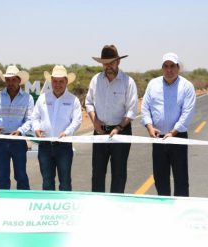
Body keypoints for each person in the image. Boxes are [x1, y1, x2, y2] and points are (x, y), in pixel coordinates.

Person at [141, 52, 196, 197]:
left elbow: (187, 112)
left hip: (178, 137)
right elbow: (145, 107)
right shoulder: (153, 84)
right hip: (158, 137)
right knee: (160, 178)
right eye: (166, 66)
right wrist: (149, 126)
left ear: (178, 68)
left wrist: (173, 132)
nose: (169, 70)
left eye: (172, 66)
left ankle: (181, 213)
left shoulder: (186, 86)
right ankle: (165, 211)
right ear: (162, 68)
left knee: (181, 179)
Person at [85, 45, 138, 193]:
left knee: (119, 174)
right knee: (97, 174)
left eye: (111, 63)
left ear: (118, 62)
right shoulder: (96, 80)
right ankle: (98, 205)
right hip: (100, 132)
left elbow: (131, 111)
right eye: (105, 63)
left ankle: (116, 206)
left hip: (121, 132)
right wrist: (94, 121)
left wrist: (119, 128)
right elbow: (88, 102)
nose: (108, 66)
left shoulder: (128, 82)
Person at [32, 65, 81, 191]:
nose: (57, 84)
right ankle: (49, 209)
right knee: (47, 181)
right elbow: (35, 117)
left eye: (61, 81)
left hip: (64, 147)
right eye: (55, 81)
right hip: (45, 146)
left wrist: (67, 132)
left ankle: (65, 209)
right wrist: (36, 128)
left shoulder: (73, 100)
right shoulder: (43, 98)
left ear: (66, 82)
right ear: (51, 81)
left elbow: (77, 121)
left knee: (65, 182)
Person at [0, 65, 34, 190]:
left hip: (18, 141)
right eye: (8, 80)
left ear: (19, 80)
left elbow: (30, 119)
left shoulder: (27, 98)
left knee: (21, 176)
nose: (10, 83)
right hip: (0, 140)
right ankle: (3, 206)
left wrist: (20, 131)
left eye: (13, 80)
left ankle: (23, 204)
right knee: (2, 176)